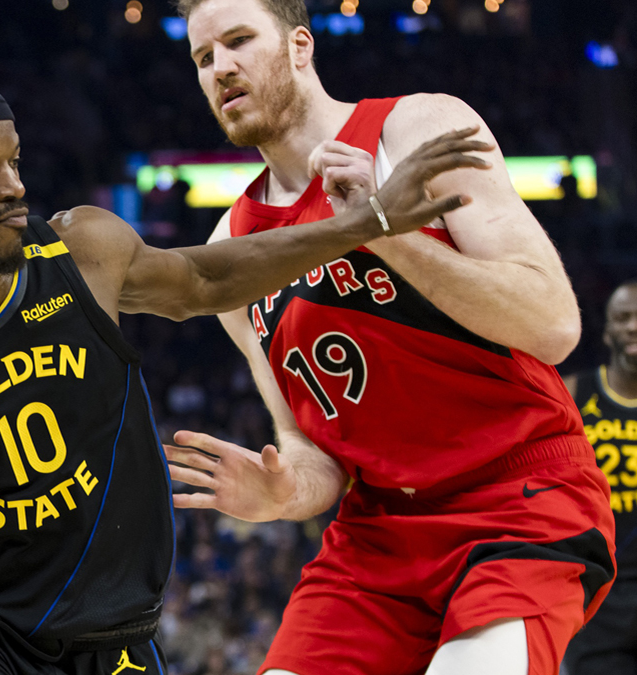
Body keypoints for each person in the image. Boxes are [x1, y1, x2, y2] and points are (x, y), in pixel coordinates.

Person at [0, 59, 487, 675]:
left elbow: (210, 279)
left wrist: (358, 223)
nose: (14, 184)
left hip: (120, 637)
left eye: (14, 160)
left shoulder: (81, 251)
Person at [162, 1, 615, 674]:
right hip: (377, 536)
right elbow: (311, 451)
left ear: (300, 47)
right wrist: (282, 493)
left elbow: (553, 323)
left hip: (516, 500)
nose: (221, 67)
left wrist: (383, 229)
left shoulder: (420, 128)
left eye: (237, 40)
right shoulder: (231, 247)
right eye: (204, 58)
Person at [562, 281, 637, 674]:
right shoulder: (573, 394)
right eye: (623, 318)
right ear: (607, 332)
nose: (633, 327)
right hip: (596, 587)